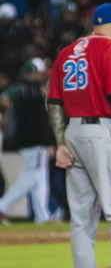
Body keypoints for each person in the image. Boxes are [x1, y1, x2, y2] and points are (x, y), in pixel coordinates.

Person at [46, 3, 111, 268]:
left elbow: (54, 102)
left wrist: (60, 143)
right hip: (101, 131)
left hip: (72, 133)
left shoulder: (66, 53)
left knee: (81, 217)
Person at [0, 58, 55, 224]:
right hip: (34, 142)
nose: (41, 75)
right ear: (33, 72)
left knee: (40, 179)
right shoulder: (32, 92)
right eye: (39, 72)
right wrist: (47, 141)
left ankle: (42, 215)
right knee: (31, 177)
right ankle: (3, 205)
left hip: (24, 141)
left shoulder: (19, 90)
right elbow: (38, 121)